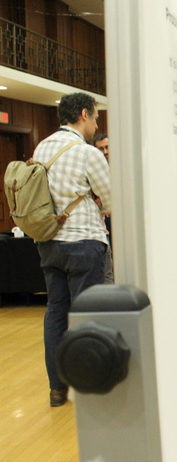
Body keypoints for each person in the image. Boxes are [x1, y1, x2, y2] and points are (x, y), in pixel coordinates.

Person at [33, 92, 111, 407]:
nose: (95, 124)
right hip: (84, 243)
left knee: (55, 313)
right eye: (94, 118)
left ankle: (57, 388)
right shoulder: (88, 153)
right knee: (86, 315)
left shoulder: (42, 147)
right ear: (82, 114)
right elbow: (111, 199)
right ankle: (88, 383)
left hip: (49, 244)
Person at [92, 133, 113, 284]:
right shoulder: (94, 168)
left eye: (107, 147)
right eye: (100, 149)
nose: (105, 152)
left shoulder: (122, 166)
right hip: (102, 220)